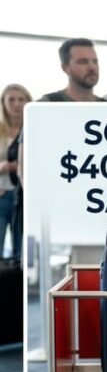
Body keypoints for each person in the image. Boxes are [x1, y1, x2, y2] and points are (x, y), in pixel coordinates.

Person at [0, 84, 29, 258]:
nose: (16, 104)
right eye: (11, 99)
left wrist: (15, 166)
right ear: (3, 103)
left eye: (21, 99)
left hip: (24, 197)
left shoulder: (35, 128)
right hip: (2, 195)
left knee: (22, 252)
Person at [40, 38, 105, 102]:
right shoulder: (47, 104)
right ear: (65, 68)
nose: (92, 67)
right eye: (83, 62)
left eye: (95, 61)